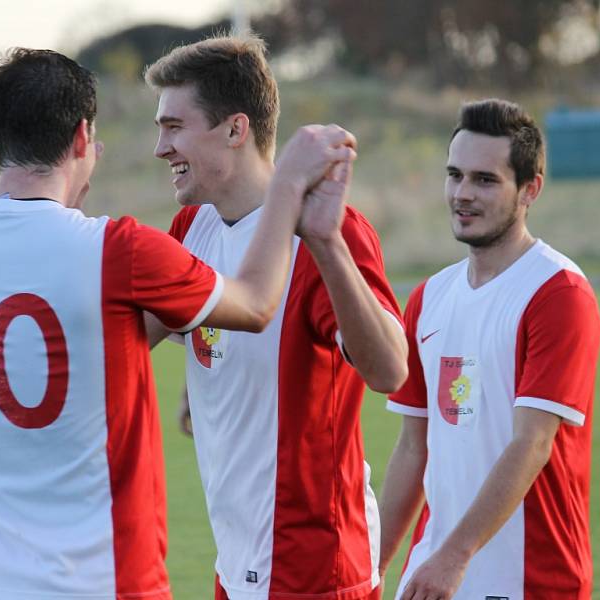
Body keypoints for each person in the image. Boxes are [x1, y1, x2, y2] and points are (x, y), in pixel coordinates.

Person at [0, 47, 357, 600]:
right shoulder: (117, 251)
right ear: (81, 138)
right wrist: (287, 186)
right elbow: (257, 303)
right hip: (100, 579)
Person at [143, 34, 408, 600]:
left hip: (314, 567)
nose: (160, 147)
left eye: (174, 126)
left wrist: (329, 244)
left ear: (236, 130)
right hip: (237, 559)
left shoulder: (327, 231)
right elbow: (133, 334)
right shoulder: (192, 230)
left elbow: (390, 369)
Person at [379, 99, 600, 599]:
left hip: (530, 578)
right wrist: (373, 565)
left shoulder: (558, 292)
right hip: (431, 572)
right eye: (454, 175)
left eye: (485, 180)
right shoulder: (429, 296)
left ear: (530, 190)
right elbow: (413, 448)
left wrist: (454, 557)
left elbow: (532, 444)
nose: (462, 194)